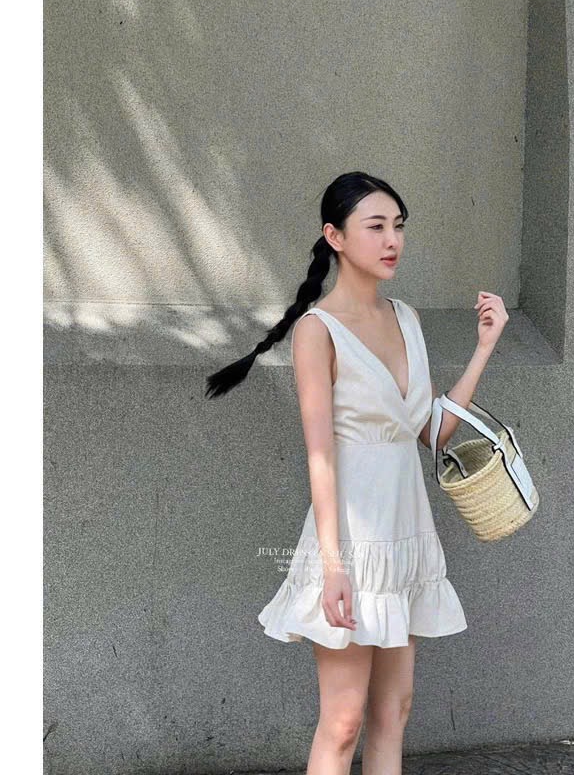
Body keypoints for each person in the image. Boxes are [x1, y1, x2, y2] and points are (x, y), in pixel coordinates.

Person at [205, 171, 508, 775]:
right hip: (348, 542)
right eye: (376, 226)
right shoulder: (317, 331)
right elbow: (320, 455)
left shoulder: (407, 318)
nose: (392, 240)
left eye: (398, 226)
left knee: (394, 712)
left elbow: (430, 432)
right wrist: (333, 565)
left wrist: (484, 347)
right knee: (343, 722)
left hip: (405, 538)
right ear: (335, 236)